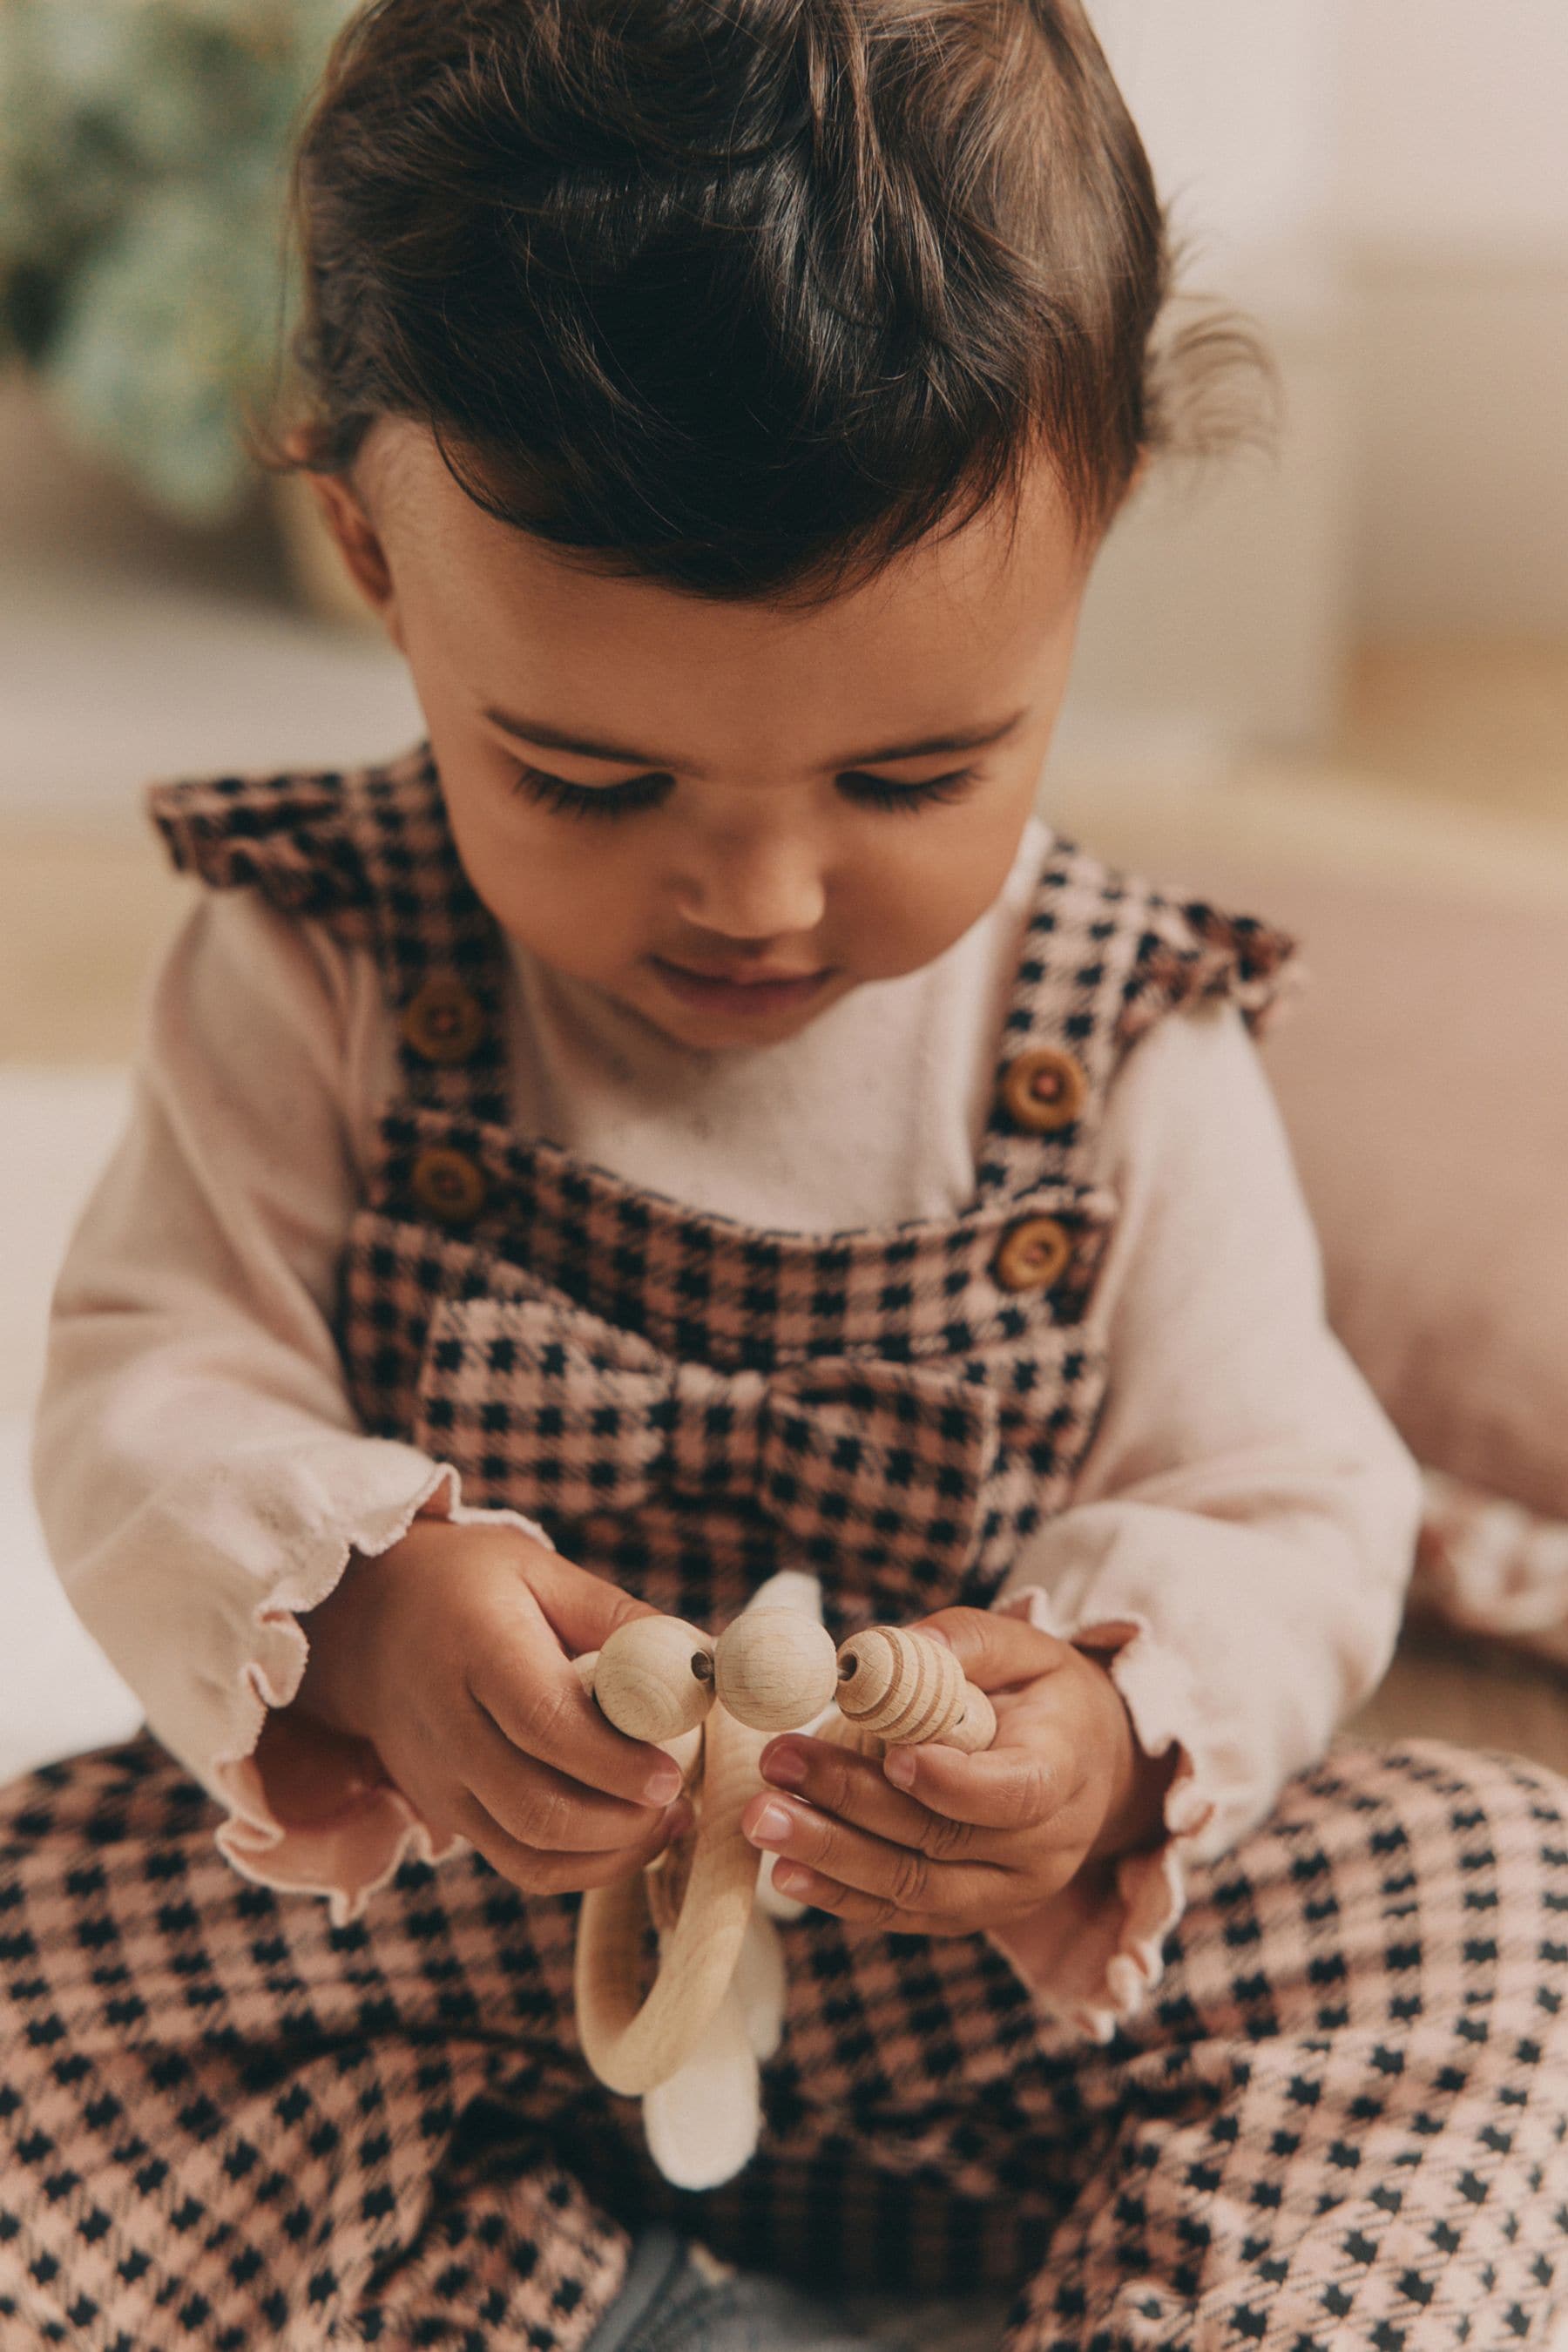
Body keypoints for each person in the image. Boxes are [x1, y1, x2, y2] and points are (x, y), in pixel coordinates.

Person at [5, 0, 1566, 2344]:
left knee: (1501, 1900)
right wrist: (352, 1617)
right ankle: (563, 2289)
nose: (757, 894)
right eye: (593, 779)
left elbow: (1278, 1487)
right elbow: (149, 1380)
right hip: (463, 1971)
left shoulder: (1117, 1033)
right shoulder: (316, 961)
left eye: (912, 777)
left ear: (1095, 539)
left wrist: (1104, 1730)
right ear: (371, 548)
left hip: (1007, 2006)